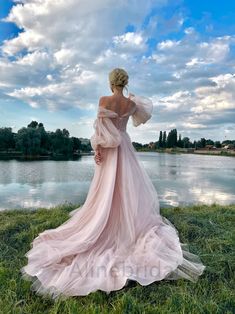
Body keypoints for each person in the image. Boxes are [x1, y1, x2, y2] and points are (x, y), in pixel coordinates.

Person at [21, 68, 206, 299]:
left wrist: (97, 149)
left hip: (110, 152)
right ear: (125, 82)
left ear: (110, 83)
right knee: (127, 191)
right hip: (125, 150)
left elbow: (101, 130)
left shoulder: (104, 100)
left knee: (105, 192)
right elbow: (133, 121)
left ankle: (105, 223)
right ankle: (124, 225)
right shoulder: (131, 105)